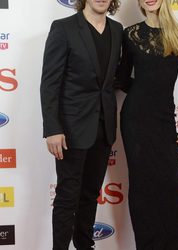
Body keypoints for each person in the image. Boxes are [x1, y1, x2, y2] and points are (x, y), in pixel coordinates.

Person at [116, 0, 178, 249]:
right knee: (143, 187)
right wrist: (143, 94)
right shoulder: (130, 34)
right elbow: (122, 78)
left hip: (164, 120)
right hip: (135, 121)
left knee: (173, 184)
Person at [40, 0, 122, 249]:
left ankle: (85, 245)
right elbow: (50, 83)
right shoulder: (63, 28)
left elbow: (112, 78)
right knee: (67, 197)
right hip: (71, 129)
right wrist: (52, 128)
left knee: (90, 195)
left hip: (104, 126)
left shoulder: (117, 30)